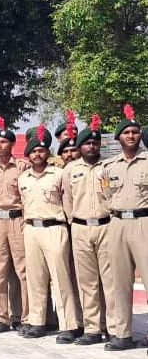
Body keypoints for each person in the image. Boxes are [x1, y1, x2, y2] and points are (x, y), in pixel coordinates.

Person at [19, 124, 83, 342]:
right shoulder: (23, 178)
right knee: (35, 278)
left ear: (47, 152)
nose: (37, 154)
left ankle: (68, 324)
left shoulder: (59, 174)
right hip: (31, 228)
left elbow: (67, 203)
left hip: (54, 227)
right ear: (28, 155)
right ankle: (37, 321)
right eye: (33, 151)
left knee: (60, 278)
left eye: (41, 150)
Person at [61, 114, 113, 345]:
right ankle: (92, 328)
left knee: (110, 280)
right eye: (87, 143)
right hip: (81, 228)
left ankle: (112, 326)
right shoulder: (70, 170)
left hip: (106, 226)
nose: (92, 146)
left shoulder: (108, 167)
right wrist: (73, 221)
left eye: (95, 143)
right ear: (80, 147)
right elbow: (67, 200)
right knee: (87, 281)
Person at [100, 105, 148, 352]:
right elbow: (105, 194)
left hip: (143, 222)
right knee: (119, 281)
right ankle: (123, 333)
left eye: (135, 132)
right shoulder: (109, 166)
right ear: (118, 137)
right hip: (117, 223)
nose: (131, 136)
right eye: (126, 132)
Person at [0, 118, 30, 333]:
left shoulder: (22, 167)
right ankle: (1, 317)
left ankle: (25, 317)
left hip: (17, 219)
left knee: (23, 270)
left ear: (12, 144)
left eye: (4, 142)